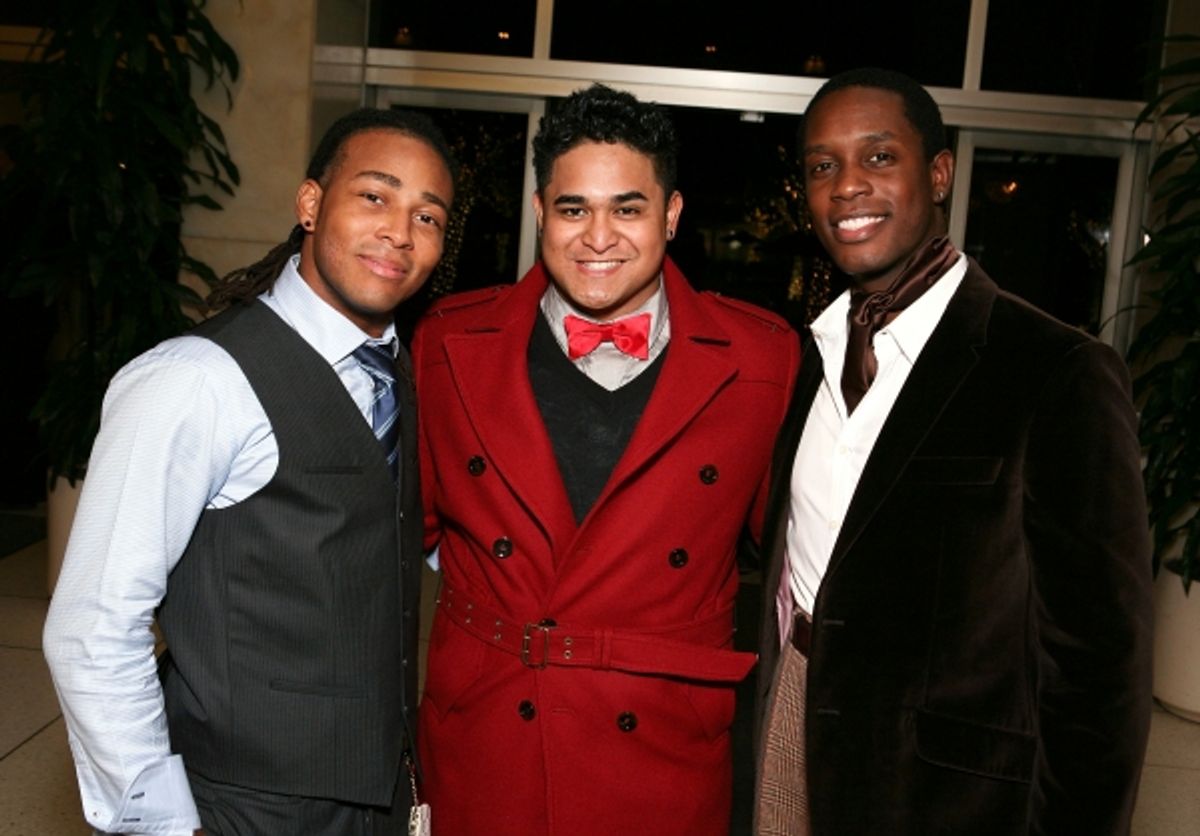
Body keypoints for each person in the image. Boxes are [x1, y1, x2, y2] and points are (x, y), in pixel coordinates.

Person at [753, 67, 1154, 835]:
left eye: (878, 157)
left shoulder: (1054, 370)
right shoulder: (809, 354)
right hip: (792, 727)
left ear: (938, 174)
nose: (845, 187)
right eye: (821, 166)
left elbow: (1102, 666)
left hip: (942, 788)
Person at [42, 107, 455, 835]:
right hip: (239, 804)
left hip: (380, 793)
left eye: (428, 216)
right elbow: (95, 626)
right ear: (309, 203)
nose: (400, 230)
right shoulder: (193, 379)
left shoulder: (405, 376)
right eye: (375, 196)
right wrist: (164, 825)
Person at [411, 83, 801, 836]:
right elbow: (406, 543)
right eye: (572, 208)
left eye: (627, 208)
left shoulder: (763, 360)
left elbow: (791, 556)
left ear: (671, 216)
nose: (598, 237)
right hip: (488, 739)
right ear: (538, 213)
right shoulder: (446, 345)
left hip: (660, 747)